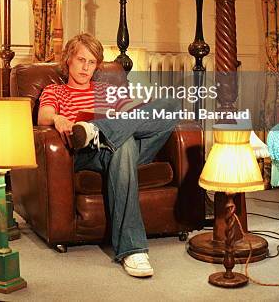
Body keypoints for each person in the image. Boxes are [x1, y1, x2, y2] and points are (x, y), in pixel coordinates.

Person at [37, 33, 179, 278]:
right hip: (88, 155)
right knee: (123, 145)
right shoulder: (55, 90)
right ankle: (133, 250)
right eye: (81, 59)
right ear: (68, 60)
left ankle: (98, 131)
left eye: (92, 62)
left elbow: (133, 114)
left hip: (118, 144)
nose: (86, 67)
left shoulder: (106, 90)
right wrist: (59, 118)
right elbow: (43, 116)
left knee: (171, 105)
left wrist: (133, 113)